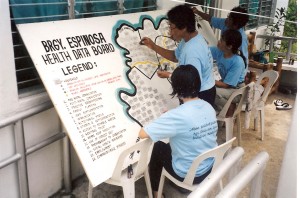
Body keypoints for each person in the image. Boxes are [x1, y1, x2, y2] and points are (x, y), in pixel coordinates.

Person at [139, 65, 218, 198]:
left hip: (188, 174)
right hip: (209, 167)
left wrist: (165, 118)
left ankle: (156, 194)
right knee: (179, 141)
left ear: (175, 87)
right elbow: (190, 121)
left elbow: (142, 134)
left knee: (158, 147)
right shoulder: (208, 106)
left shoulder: (177, 116)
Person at [140, 4, 216, 106]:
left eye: (172, 27)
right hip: (200, 91)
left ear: (184, 27)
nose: (170, 32)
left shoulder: (192, 52)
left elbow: (192, 83)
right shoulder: (190, 39)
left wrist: (169, 75)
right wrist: (153, 46)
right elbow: (175, 56)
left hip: (200, 96)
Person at [193, 6, 249, 78]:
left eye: (229, 19)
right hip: (225, 71)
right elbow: (210, 18)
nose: (226, 19)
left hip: (235, 75)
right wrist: (197, 12)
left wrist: (240, 77)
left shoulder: (242, 40)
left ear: (235, 25)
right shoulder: (226, 23)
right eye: (228, 16)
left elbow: (243, 61)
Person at [210, 29, 246, 114]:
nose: (219, 41)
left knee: (211, 92)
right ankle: (222, 110)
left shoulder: (237, 62)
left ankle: (230, 107)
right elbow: (204, 50)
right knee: (207, 90)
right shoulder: (219, 52)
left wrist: (208, 79)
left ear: (229, 46)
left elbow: (226, 85)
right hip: (228, 86)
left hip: (237, 90)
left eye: (222, 40)